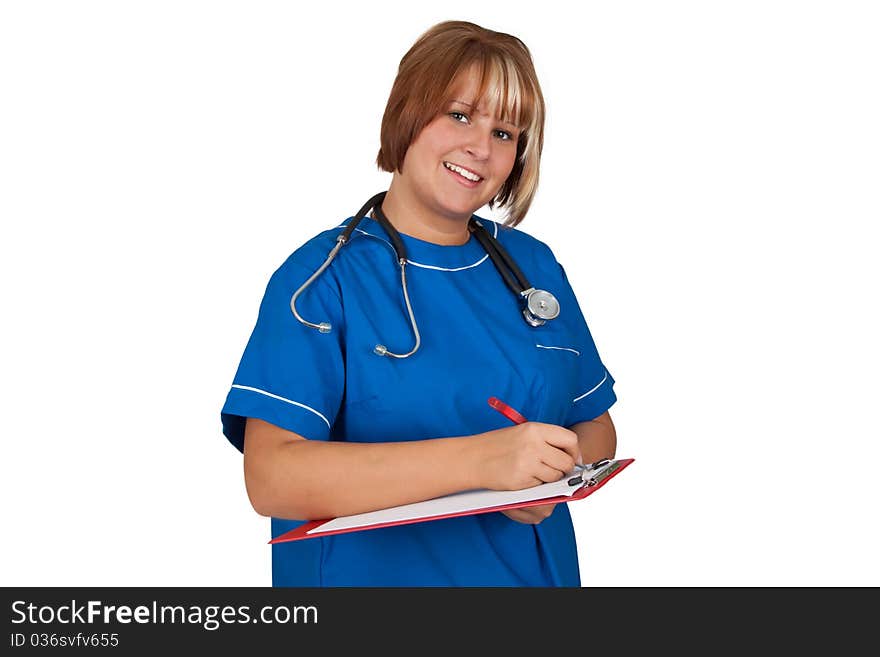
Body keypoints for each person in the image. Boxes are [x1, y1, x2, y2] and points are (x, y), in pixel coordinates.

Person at [220, 20, 618, 587]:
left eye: (505, 132)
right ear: (407, 113)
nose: (480, 147)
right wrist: (483, 463)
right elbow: (272, 477)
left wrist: (557, 471)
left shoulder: (533, 267)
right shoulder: (320, 279)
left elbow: (594, 424)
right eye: (459, 115)